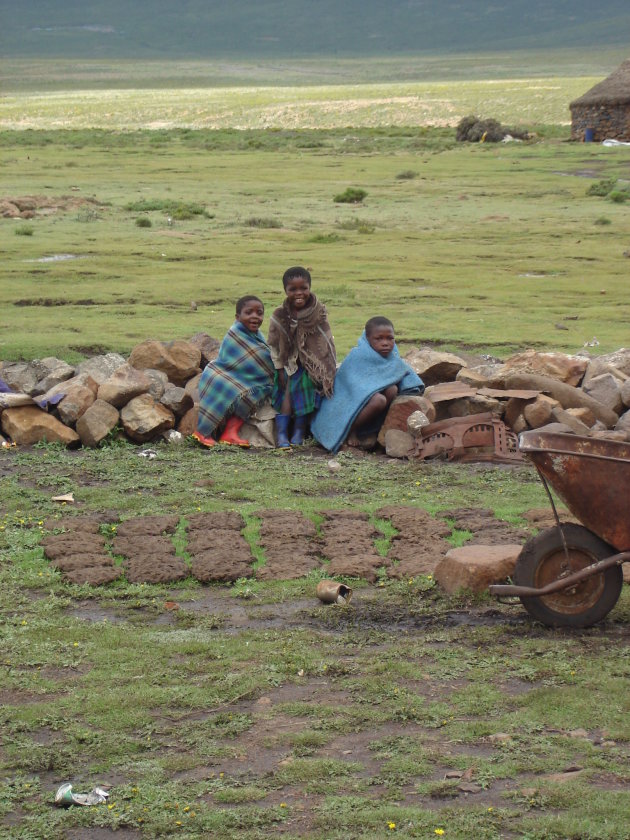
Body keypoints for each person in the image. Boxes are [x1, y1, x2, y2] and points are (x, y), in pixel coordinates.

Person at [310, 316, 424, 453]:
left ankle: (374, 428)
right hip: (350, 404)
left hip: (367, 406)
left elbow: (402, 373)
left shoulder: (392, 356)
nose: (385, 343)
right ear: (367, 338)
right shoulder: (358, 356)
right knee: (379, 400)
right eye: (379, 338)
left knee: (392, 389)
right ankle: (349, 430)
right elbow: (349, 387)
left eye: (390, 338)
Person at [267, 266, 336, 447]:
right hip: (288, 364)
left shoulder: (318, 312)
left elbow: (326, 342)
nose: (299, 293)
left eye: (303, 288)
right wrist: (279, 368)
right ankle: (284, 433)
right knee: (290, 386)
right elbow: (274, 344)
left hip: (314, 366)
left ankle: (297, 432)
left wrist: (322, 368)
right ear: (285, 291)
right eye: (293, 289)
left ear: (309, 287)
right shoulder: (280, 314)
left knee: (303, 385)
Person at [194, 295, 275, 448]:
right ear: (238, 317)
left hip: (243, 380)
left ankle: (230, 433)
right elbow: (236, 361)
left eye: (259, 313)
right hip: (221, 374)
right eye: (249, 312)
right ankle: (203, 432)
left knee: (256, 392)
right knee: (230, 390)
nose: (255, 317)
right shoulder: (235, 333)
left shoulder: (258, 336)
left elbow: (262, 361)